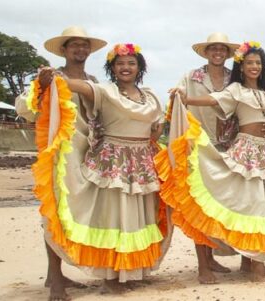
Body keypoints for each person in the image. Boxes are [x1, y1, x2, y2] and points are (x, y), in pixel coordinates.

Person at [34, 42, 171, 295]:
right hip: (113, 161)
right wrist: (51, 77)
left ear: (140, 67)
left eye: (131, 63)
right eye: (120, 63)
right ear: (112, 68)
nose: (125, 67)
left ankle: (127, 271)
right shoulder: (103, 90)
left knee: (136, 217)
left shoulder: (150, 96)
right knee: (114, 217)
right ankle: (109, 276)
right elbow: (70, 85)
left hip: (140, 162)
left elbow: (156, 126)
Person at [169, 41, 265, 282]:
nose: (254, 66)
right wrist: (187, 99)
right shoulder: (235, 89)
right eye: (249, 63)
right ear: (241, 66)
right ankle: (255, 264)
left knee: (263, 207)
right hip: (245, 152)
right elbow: (213, 100)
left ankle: (251, 261)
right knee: (252, 206)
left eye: (257, 63)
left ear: (263, 66)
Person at [14, 26, 106, 301]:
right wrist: (41, 86)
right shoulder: (51, 77)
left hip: (88, 154)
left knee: (77, 213)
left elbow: (102, 113)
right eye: (74, 45)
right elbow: (25, 109)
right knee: (54, 214)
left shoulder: (93, 80)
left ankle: (57, 273)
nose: (80, 50)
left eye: (84, 45)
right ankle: (55, 278)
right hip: (60, 153)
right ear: (64, 50)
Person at [170, 32, 238, 284]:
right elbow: (178, 100)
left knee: (219, 207)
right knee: (200, 207)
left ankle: (211, 257)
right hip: (198, 148)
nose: (218, 52)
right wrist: (177, 94)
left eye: (222, 49)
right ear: (206, 52)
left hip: (228, 149)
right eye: (213, 49)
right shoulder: (191, 77)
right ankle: (202, 266)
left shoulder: (235, 79)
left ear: (227, 53)